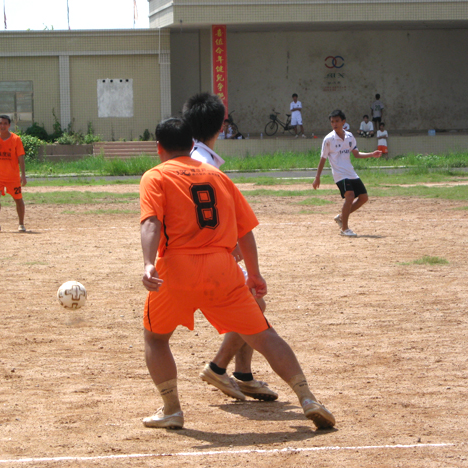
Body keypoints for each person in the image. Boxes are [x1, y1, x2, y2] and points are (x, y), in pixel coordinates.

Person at [139, 117, 335, 430]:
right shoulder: (218, 176)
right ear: (192, 144)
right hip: (222, 268)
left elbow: (152, 222)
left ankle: (172, 409)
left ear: (159, 147)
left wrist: (149, 263)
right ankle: (307, 397)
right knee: (265, 335)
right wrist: (254, 273)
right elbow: (245, 230)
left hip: (176, 268)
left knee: (156, 338)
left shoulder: (155, 176)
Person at [183, 92, 277, 402]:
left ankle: (243, 374)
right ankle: (218, 367)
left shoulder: (195, 156)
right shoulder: (204, 163)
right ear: (222, 126)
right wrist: (226, 243)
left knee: (254, 305)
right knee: (254, 307)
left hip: (200, 253)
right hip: (205, 257)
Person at [312, 110, 382, 237]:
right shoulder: (328, 139)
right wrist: (317, 177)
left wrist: (372, 154)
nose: (334, 124)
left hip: (351, 172)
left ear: (343, 122)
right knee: (350, 196)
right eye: (332, 122)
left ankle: (341, 217)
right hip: (340, 174)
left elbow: (356, 154)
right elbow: (323, 159)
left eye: (337, 121)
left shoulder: (349, 136)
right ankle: (344, 229)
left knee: (364, 198)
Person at [0, 115, 27, 233]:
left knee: (18, 199)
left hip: (13, 177)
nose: (2, 126)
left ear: (9, 125)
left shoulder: (16, 139)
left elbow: (21, 157)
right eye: (0, 123)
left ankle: (21, 224)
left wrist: (23, 174)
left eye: (5, 123)